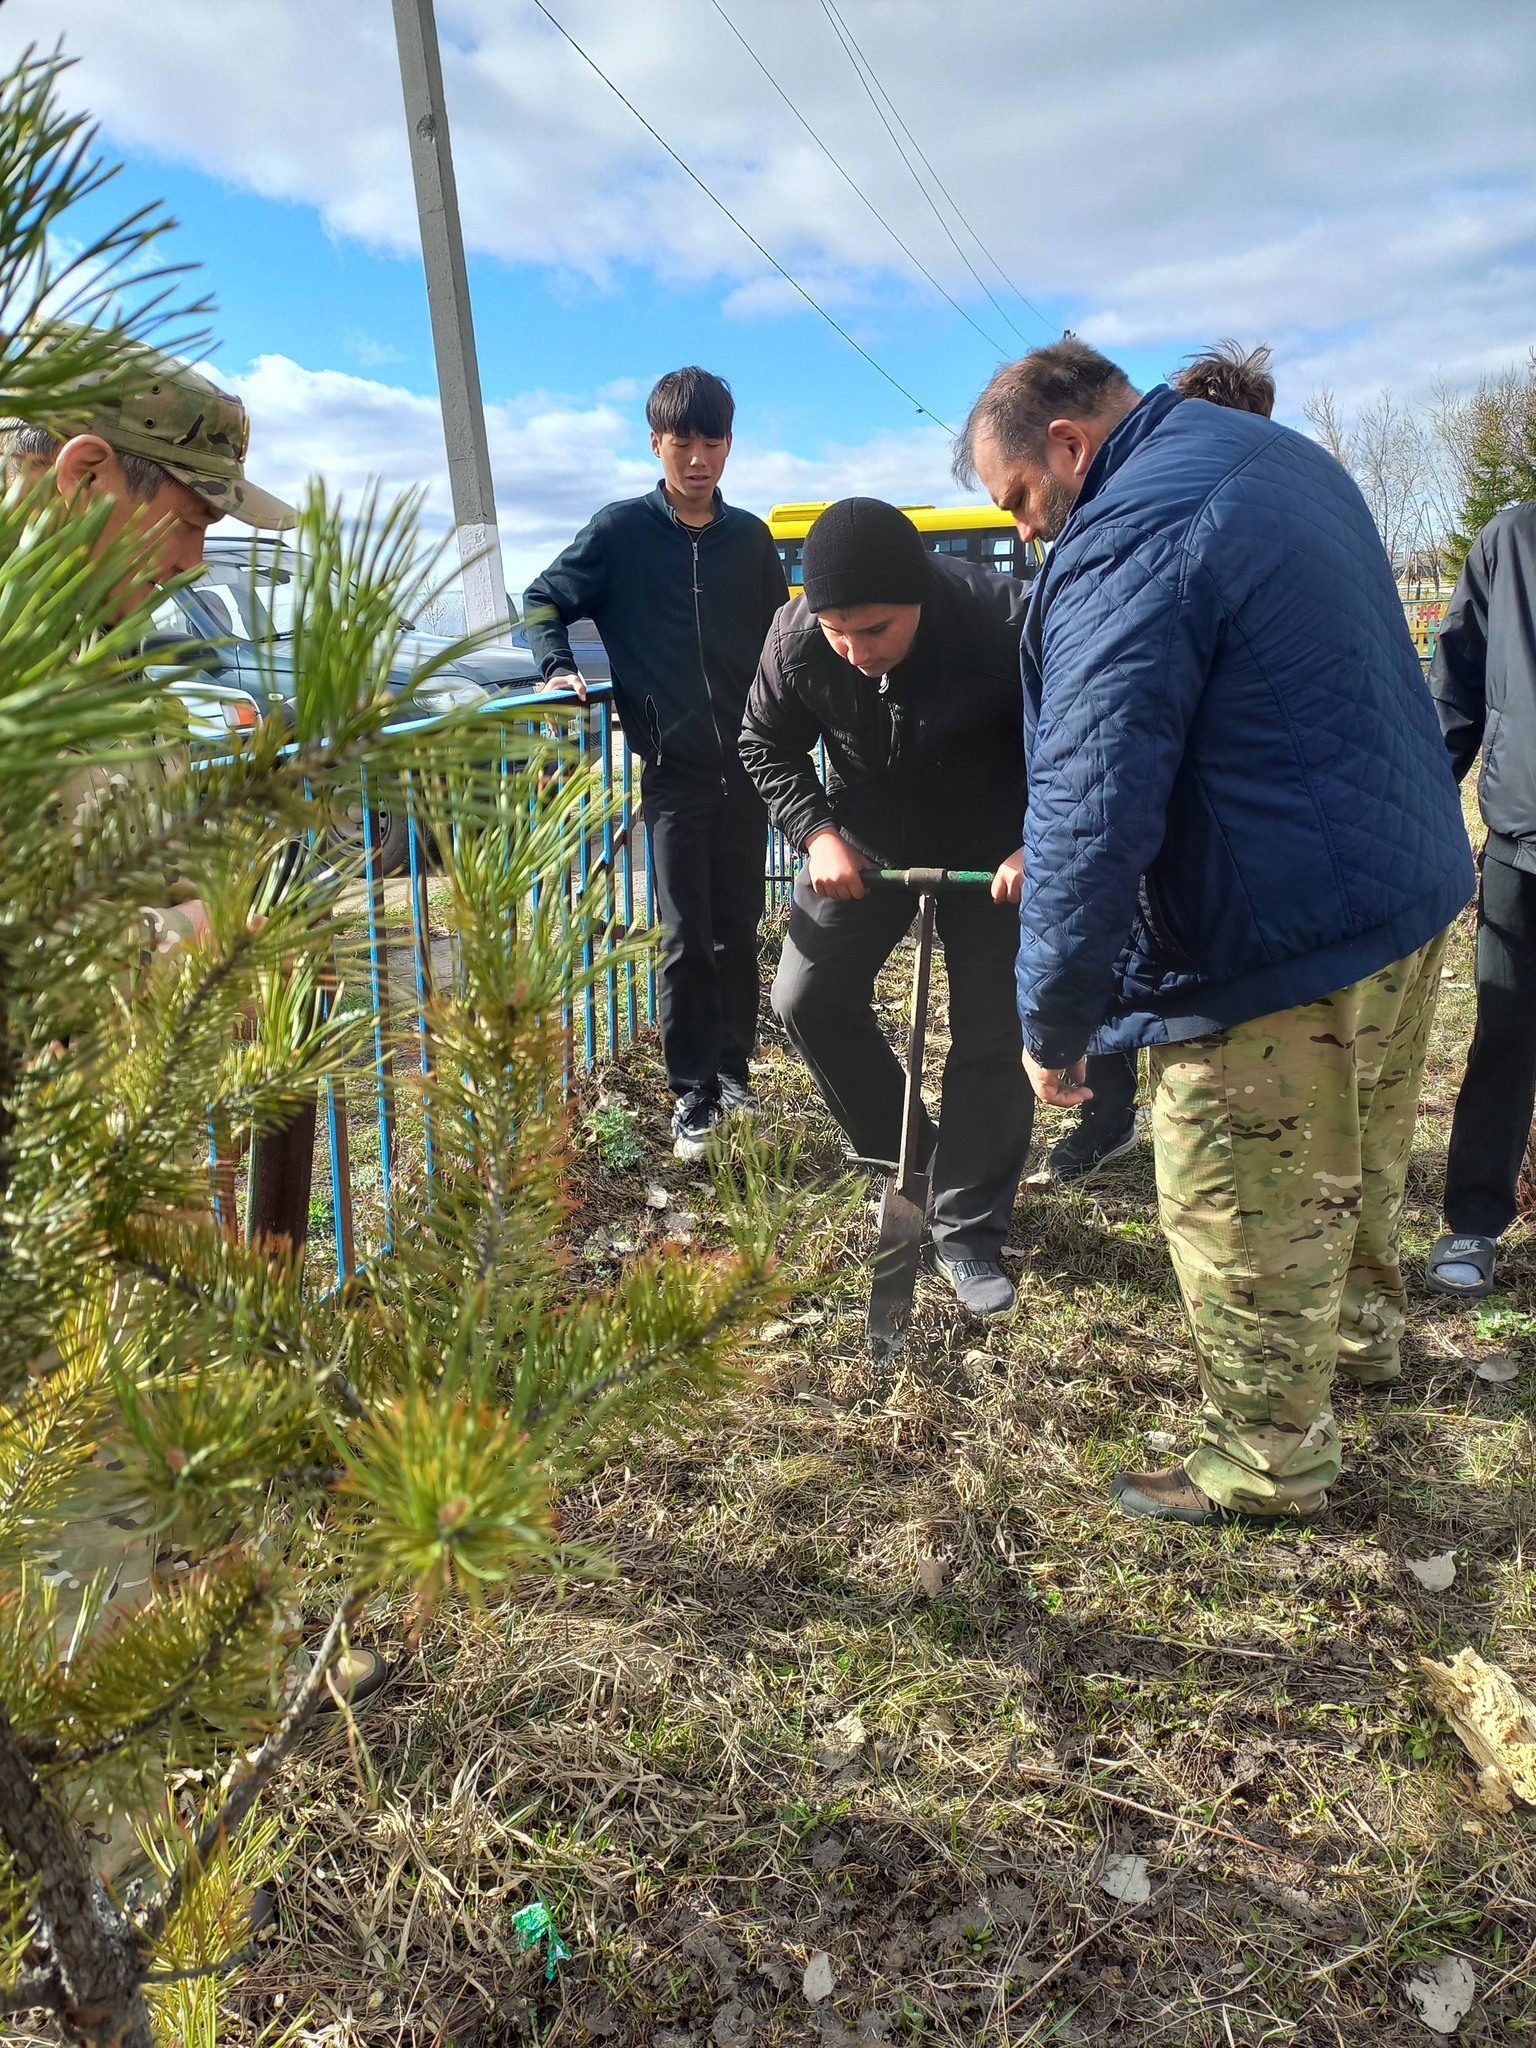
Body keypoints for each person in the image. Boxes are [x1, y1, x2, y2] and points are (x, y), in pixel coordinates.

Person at [958, 338, 1475, 1525]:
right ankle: (1361, 1343)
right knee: (1358, 1153)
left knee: (1244, 1199)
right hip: (1397, 881)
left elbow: (1091, 804)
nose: (1026, 532)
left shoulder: (1129, 531)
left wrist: (1054, 1019)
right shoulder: (1280, 459)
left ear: (1068, 444)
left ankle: (1265, 1461)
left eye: (1020, 500)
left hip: (1265, 931)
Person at [1, 330, 388, 1757]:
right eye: (191, 516)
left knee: (151, 1431)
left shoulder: (94, 657)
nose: (196, 557)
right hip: (40, 1212)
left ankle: (192, 1660)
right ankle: (102, 1799)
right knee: (65, 1518)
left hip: (123, 1167)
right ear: (85, 476)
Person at [739, 497, 1033, 1320]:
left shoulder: (1005, 621)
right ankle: (910, 1153)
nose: (857, 652)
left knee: (991, 1028)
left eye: (875, 630)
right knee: (805, 995)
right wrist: (817, 833)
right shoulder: (796, 637)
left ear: (921, 597)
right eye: (839, 632)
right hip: (865, 836)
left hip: (995, 845)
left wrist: (1037, 841)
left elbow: (1074, 738)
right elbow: (764, 742)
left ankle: (968, 1228)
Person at [522, 368, 789, 1160]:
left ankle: (735, 1075)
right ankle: (693, 1094)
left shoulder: (751, 541)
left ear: (729, 445)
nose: (698, 459)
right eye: (683, 442)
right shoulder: (620, 533)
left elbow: (783, 638)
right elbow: (542, 599)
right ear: (656, 444)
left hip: (749, 765)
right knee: (684, 936)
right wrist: (555, 668)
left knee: (739, 926)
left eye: (713, 442)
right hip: (673, 772)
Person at [1039, 340, 1279, 1190]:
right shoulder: (1138, 528)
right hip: (1152, 817)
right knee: (1111, 941)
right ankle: (1108, 1114)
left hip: (1224, 863)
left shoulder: (1229, 526)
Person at [1423, 494, 1536, 1298]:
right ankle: (1474, 1216)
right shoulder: (1513, 538)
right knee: (1503, 1035)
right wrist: (1424, 807)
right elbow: (1456, 683)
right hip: (1522, 842)